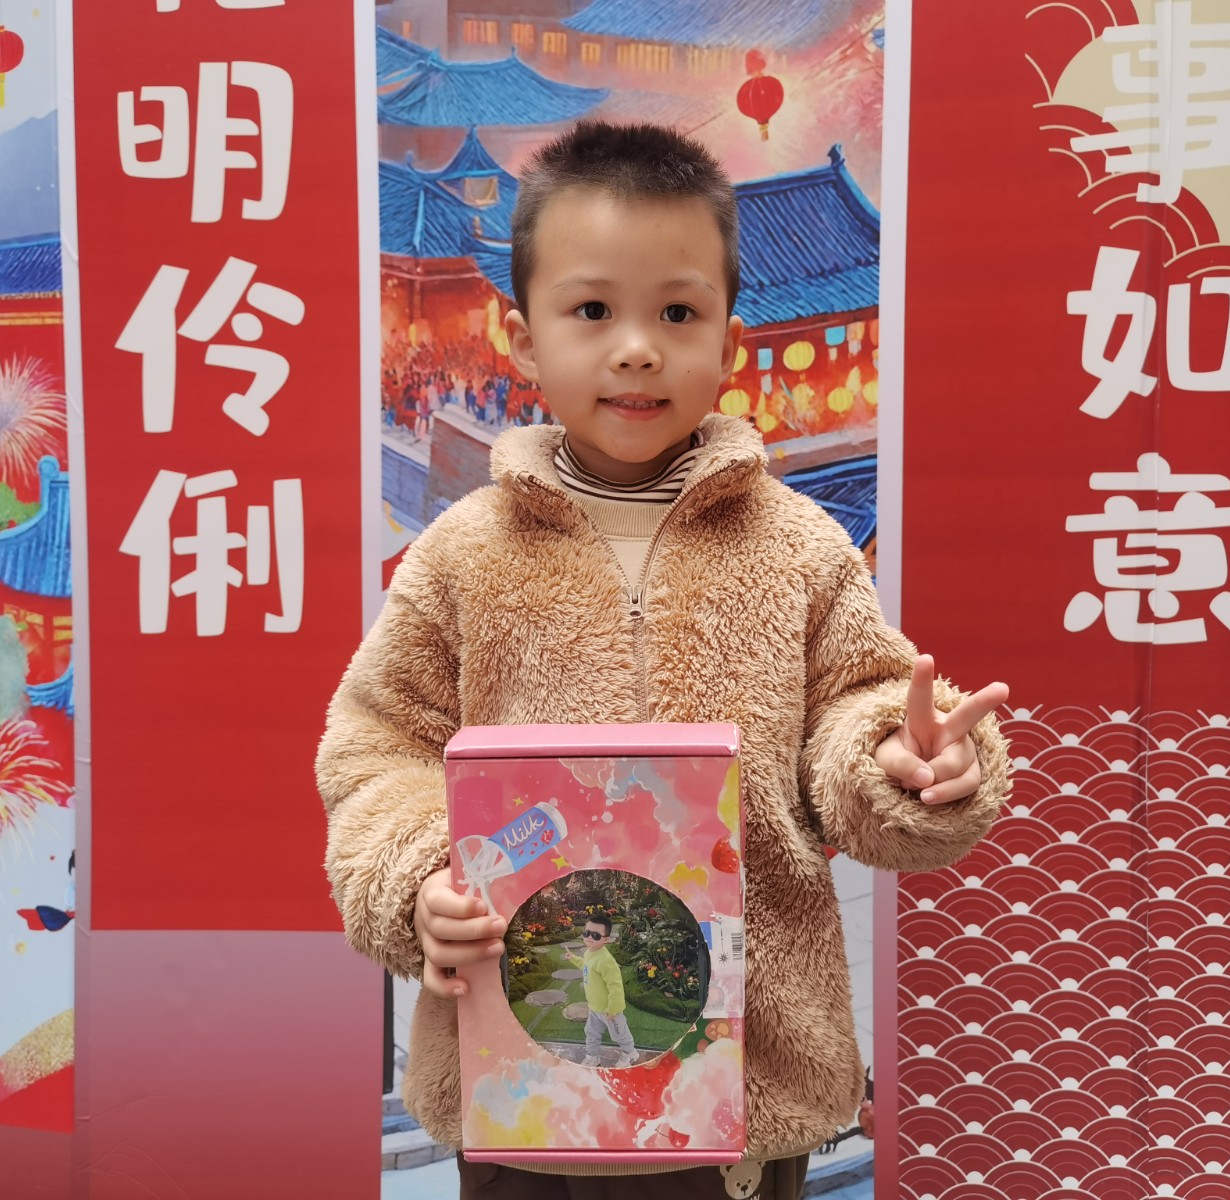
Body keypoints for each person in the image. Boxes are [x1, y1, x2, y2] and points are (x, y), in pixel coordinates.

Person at [316, 120, 1011, 1200]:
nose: (637, 348)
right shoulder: (462, 554)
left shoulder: (799, 547)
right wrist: (417, 879)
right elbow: (375, 749)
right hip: (522, 1075)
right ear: (520, 337)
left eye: (677, 314)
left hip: (741, 1091)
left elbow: (853, 714)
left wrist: (898, 761)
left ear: (730, 341)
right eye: (592, 311)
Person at [564, 913, 637, 1068]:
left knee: (619, 1034)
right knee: (591, 1033)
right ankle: (592, 1056)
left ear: (606, 939)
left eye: (595, 935)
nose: (589, 937)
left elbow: (616, 987)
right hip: (594, 1007)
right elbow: (586, 965)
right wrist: (573, 958)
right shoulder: (589, 952)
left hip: (609, 1010)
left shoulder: (606, 961)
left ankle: (630, 1053)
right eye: (586, 933)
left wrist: (613, 1009)